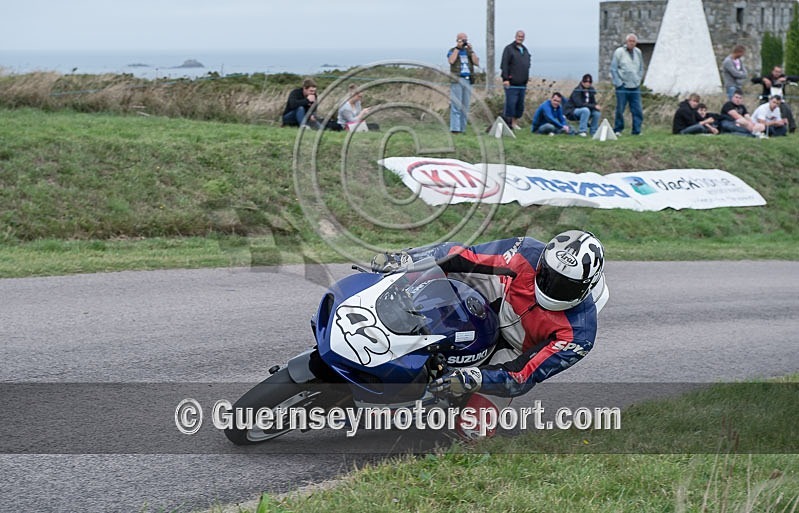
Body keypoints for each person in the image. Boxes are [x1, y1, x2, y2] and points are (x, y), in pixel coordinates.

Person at [372, 231, 608, 436]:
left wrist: (477, 379)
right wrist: (408, 259)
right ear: (543, 263)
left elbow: (524, 375)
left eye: (564, 285)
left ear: (586, 287)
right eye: (547, 275)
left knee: (473, 431)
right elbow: (462, 254)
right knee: (432, 269)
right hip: (496, 296)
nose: (551, 286)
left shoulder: (580, 334)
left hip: (515, 350)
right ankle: (382, 303)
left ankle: (446, 399)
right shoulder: (526, 252)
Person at [610, 33, 644, 136]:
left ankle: (636, 131)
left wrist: (638, 79)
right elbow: (613, 69)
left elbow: (641, 67)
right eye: (630, 41)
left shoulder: (638, 52)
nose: (632, 43)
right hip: (623, 87)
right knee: (620, 109)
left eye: (634, 41)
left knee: (637, 109)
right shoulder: (619, 52)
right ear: (626, 42)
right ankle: (618, 130)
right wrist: (619, 83)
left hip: (635, 86)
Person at [447, 32, 479, 134]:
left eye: (465, 39)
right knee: (456, 105)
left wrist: (471, 50)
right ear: (457, 40)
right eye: (462, 40)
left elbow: (476, 62)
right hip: (457, 79)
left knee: (465, 106)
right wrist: (457, 48)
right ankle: (455, 129)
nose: (464, 42)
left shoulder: (468, 52)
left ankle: (462, 128)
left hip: (468, 79)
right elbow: (451, 61)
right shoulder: (452, 50)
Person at [500, 30, 531, 130]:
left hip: (522, 83)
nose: (520, 38)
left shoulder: (525, 50)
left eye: (522, 36)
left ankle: (514, 123)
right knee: (511, 104)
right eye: (519, 36)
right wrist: (505, 78)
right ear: (515, 36)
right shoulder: (509, 49)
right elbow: (504, 64)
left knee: (519, 105)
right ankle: (507, 124)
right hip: (511, 83)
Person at [752, 66, 798, 133]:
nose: (777, 73)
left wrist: (786, 78)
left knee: (786, 108)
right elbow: (754, 80)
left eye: (779, 72)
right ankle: (762, 125)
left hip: (780, 101)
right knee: (762, 108)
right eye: (776, 71)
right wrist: (764, 79)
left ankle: (791, 127)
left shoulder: (783, 77)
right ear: (772, 71)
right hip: (767, 100)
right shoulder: (767, 77)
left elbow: (796, 78)